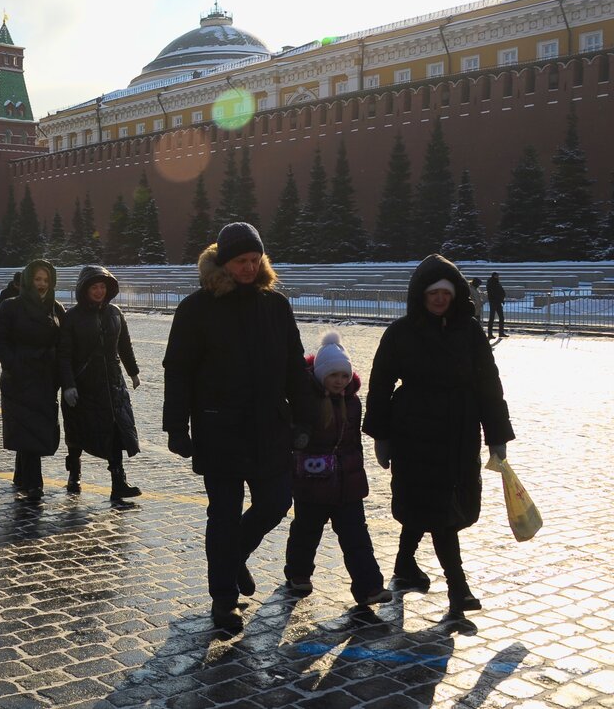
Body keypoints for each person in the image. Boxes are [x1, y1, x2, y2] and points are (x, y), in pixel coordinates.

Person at [162, 223, 310, 632]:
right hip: (219, 429)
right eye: (240, 261)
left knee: (276, 502)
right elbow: (178, 370)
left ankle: (234, 557)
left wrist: (304, 418)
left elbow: (294, 366)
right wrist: (176, 426)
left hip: (269, 427)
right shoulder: (197, 308)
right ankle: (223, 600)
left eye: (254, 260)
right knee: (223, 515)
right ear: (223, 262)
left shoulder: (276, 306)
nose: (248, 267)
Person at [364, 254, 514, 616]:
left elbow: (489, 385)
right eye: (432, 292)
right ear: (421, 294)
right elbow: (380, 384)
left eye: (445, 292)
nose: (439, 298)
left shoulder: (471, 333)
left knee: (432, 504)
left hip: (461, 431)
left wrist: (497, 435)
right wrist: (381, 435)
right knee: (439, 510)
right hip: (413, 431)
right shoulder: (400, 333)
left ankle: (404, 567)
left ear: (455, 294)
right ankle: (458, 590)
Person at [283, 332, 391, 608]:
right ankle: (298, 573)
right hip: (313, 481)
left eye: (344, 376)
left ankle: (370, 587)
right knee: (306, 532)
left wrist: (356, 469)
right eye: (333, 376)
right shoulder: (306, 401)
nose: (339, 381)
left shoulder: (353, 402)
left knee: (357, 537)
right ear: (321, 375)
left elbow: (354, 441)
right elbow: (293, 436)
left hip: (348, 482)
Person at [59, 265, 142, 502]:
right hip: (84, 386)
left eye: (102, 286)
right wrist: (68, 385)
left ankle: (119, 482)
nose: (99, 291)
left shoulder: (115, 313)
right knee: (77, 432)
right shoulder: (72, 317)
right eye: (94, 287)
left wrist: (133, 372)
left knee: (115, 431)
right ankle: (74, 472)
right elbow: (64, 354)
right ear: (84, 289)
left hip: (112, 384)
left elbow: (124, 345)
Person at [0, 259, 66, 503]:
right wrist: (14, 364)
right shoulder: (11, 307)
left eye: (46, 280)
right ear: (28, 281)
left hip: (45, 378)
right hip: (19, 379)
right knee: (28, 427)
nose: (42, 284)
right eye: (37, 279)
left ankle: (22, 474)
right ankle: (34, 483)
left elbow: (64, 344)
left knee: (36, 428)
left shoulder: (56, 309)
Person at [486, 271, 507, 338]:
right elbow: (492, 293)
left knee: (501, 317)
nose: (498, 277)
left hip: (498, 302)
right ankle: (490, 334)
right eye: (496, 276)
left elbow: (501, 290)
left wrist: (502, 297)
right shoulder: (490, 283)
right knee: (491, 318)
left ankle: (501, 333)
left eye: (498, 276)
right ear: (493, 276)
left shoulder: (497, 282)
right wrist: (500, 298)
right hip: (493, 302)